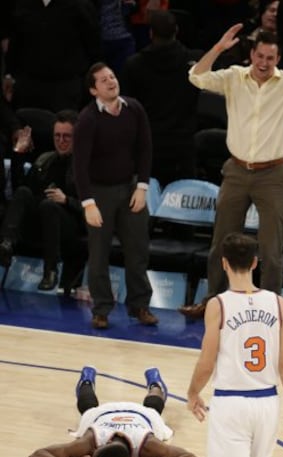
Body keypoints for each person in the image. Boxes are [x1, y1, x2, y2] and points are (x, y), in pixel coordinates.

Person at [179, 27, 283, 320]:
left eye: (270, 57)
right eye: (259, 55)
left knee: (270, 250)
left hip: (274, 174)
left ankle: (271, 313)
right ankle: (212, 304)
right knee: (221, 244)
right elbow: (196, 77)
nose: (264, 62)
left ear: (278, 58)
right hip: (236, 171)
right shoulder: (232, 77)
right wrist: (217, 48)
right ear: (251, 54)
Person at [187, 232, 283, 457]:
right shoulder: (278, 304)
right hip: (267, 403)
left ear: (224, 263)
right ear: (255, 263)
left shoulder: (219, 305)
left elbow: (207, 359)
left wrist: (192, 392)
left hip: (231, 403)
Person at [73, 62, 158, 328]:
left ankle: (140, 305)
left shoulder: (134, 109)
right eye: (103, 80)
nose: (111, 82)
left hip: (130, 188)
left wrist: (142, 186)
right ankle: (101, 309)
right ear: (93, 90)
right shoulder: (87, 119)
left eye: (112, 76)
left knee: (138, 250)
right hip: (99, 192)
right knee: (98, 254)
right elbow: (79, 166)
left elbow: (145, 149)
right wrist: (88, 204)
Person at [28, 365, 204, 457]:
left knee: (88, 409)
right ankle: (154, 383)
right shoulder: (147, 445)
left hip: (107, 414)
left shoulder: (90, 441)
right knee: (153, 409)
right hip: (138, 415)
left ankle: (87, 380)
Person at [0, 110, 86, 292]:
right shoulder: (45, 160)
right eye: (57, 136)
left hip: (71, 228)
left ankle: (51, 271)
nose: (61, 141)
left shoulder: (86, 167)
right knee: (24, 192)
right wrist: (18, 154)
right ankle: (6, 245)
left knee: (49, 205)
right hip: (40, 224)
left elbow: (95, 211)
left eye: (67, 137)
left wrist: (67, 200)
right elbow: (20, 192)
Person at [121, 9, 203, 187]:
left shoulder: (133, 65)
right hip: (183, 147)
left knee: (146, 206)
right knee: (182, 207)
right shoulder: (194, 63)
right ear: (177, 31)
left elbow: (128, 109)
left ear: (150, 33)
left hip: (149, 147)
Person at [4, 0, 101, 112]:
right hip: (29, 86)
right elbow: (15, 44)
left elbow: (94, 48)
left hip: (67, 87)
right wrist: (9, 74)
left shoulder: (80, 6)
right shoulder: (23, 5)